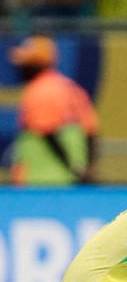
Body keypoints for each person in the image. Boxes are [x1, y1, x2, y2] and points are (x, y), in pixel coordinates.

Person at [7, 35, 100, 186]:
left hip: (41, 180)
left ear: (37, 64)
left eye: (25, 63)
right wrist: (84, 170)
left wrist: (71, 167)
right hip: (70, 181)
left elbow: (48, 133)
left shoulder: (38, 91)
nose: (20, 68)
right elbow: (91, 131)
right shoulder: (72, 88)